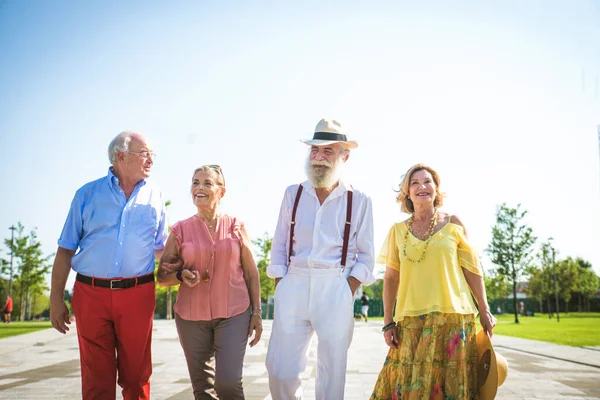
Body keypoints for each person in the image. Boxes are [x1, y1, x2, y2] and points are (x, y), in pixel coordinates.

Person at [49, 131, 168, 400]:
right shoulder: (86, 194)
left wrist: (181, 268)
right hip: (91, 294)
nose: (151, 159)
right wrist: (56, 298)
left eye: (152, 154)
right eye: (144, 153)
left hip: (138, 293)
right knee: (96, 379)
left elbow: (161, 248)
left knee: (137, 376)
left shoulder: (156, 195)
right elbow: (66, 248)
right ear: (121, 156)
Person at [266, 118, 375, 399]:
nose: (319, 157)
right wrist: (282, 284)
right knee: (281, 370)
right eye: (315, 150)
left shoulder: (359, 200)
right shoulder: (294, 193)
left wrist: (346, 288)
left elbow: (366, 256)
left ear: (344, 156)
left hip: (335, 285)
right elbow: (279, 245)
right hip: (295, 282)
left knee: (332, 374)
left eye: (328, 151)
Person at [371, 163, 497, 400]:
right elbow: (390, 278)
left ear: (436, 189)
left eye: (428, 181)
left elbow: (472, 269)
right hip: (411, 320)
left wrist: (485, 309)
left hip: (454, 318)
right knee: (409, 385)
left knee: (452, 386)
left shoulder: (454, 224)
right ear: (407, 192)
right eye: (415, 183)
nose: (422, 187)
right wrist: (388, 322)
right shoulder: (397, 231)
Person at [157, 165, 263, 400]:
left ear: (221, 191)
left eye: (207, 183)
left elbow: (251, 272)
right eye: (195, 182)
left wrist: (256, 312)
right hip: (190, 317)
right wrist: (179, 275)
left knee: (228, 384)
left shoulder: (236, 226)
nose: (199, 188)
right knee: (203, 389)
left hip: (234, 313)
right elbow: (162, 276)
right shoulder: (179, 230)